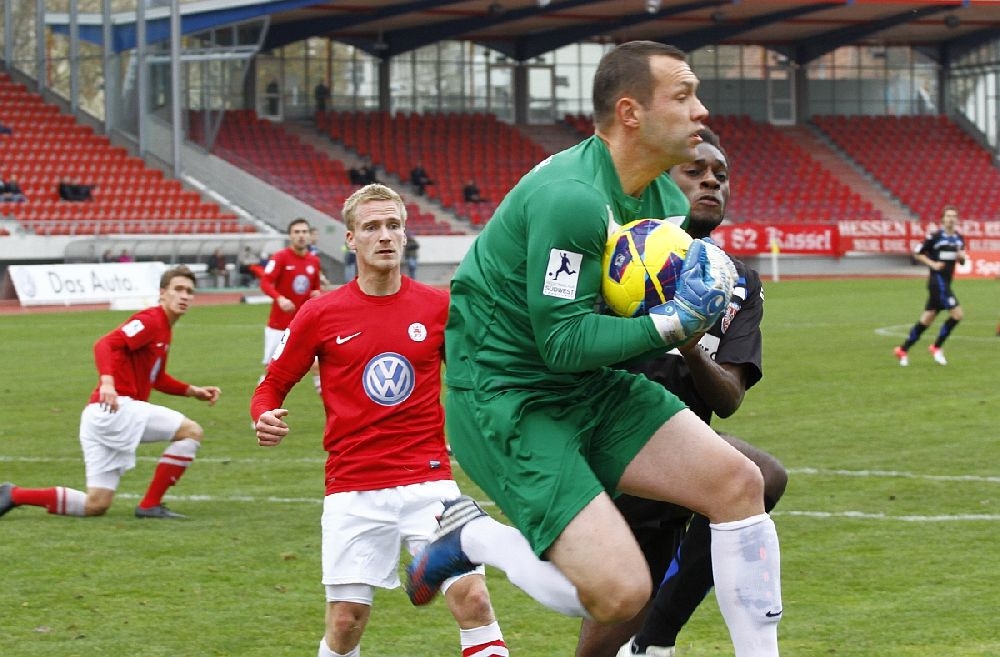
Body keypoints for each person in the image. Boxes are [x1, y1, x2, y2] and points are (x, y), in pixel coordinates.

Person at [406, 41, 782, 657]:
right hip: (508, 397)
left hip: (593, 383)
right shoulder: (572, 198)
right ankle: (473, 538)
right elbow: (562, 341)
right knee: (620, 595)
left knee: (741, 484)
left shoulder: (664, 200)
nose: (701, 110)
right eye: (684, 96)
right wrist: (675, 323)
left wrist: (687, 293)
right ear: (631, 113)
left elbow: (617, 317)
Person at [251, 183, 510, 657]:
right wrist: (263, 414)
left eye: (393, 225)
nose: (385, 235)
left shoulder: (438, 307)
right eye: (371, 227)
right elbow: (272, 384)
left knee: (473, 599)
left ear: (405, 234)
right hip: (353, 484)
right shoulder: (320, 313)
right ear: (351, 239)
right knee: (346, 621)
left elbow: (476, 384)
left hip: (429, 481)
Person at [576, 127, 788, 657]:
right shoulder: (615, 253)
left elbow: (729, 398)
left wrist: (691, 345)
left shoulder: (738, 281)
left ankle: (654, 641)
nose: (712, 182)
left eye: (721, 174)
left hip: (678, 457)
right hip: (607, 446)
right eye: (695, 172)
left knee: (760, 479)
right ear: (661, 183)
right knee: (606, 608)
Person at [0, 265, 221, 521]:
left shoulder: (164, 328)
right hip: (117, 408)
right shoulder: (151, 320)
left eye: (189, 291)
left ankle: (13, 494)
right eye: (178, 289)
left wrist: (192, 391)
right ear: (162, 293)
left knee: (95, 504)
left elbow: (157, 378)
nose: (184, 296)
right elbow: (105, 344)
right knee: (191, 431)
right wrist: (107, 382)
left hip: (100, 416)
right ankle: (150, 504)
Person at [894, 204, 966, 367]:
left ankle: (902, 350)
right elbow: (917, 253)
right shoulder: (934, 236)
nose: (951, 219)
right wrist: (933, 264)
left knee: (927, 319)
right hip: (937, 282)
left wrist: (961, 257)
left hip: (946, 282)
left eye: (953, 216)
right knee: (957, 314)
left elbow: (962, 261)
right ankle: (936, 347)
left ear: (957, 219)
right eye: (948, 216)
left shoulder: (959, 239)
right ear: (942, 219)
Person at [258, 218, 322, 385]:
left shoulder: (314, 261)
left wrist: (316, 294)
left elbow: (315, 288)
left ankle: (332, 402)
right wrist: (280, 298)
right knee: (271, 371)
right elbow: (265, 282)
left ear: (309, 235)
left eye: (304, 232)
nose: (301, 236)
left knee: (317, 366)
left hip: (303, 324)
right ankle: (262, 399)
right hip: (279, 325)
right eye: (297, 232)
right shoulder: (280, 257)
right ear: (290, 236)